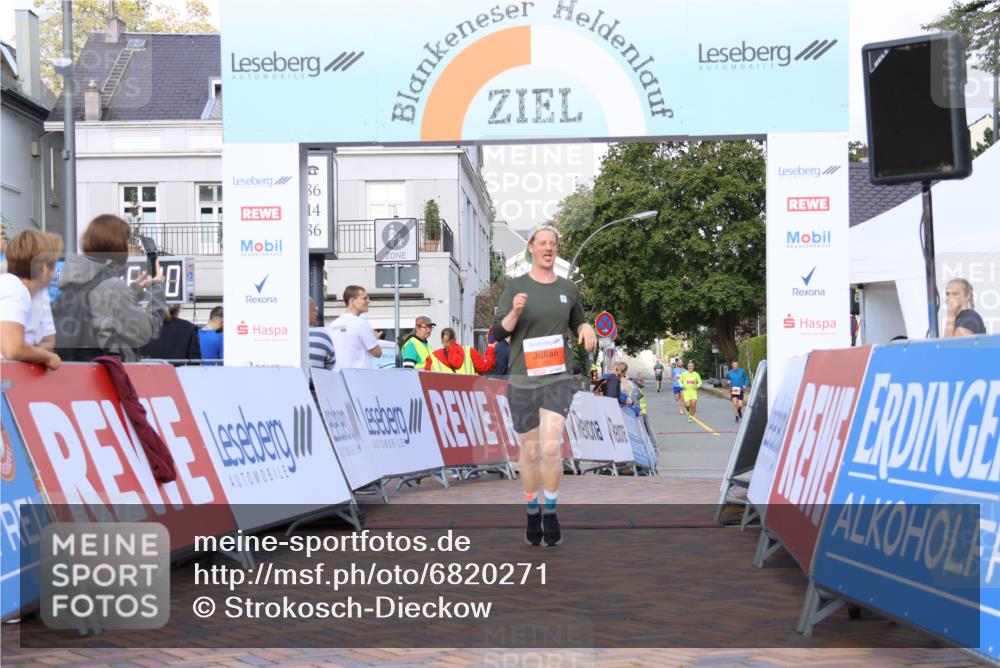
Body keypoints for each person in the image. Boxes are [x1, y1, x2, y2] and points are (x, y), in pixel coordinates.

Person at [492, 223, 596, 547]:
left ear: (556, 249)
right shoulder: (515, 286)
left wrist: (586, 327)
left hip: (557, 377)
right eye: (542, 243)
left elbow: (577, 319)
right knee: (532, 449)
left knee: (551, 446)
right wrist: (515, 312)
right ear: (532, 249)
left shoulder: (569, 288)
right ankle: (531, 508)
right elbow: (498, 332)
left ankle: (550, 511)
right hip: (523, 378)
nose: (548, 248)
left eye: (553, 243)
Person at [53, 214, 168, 362]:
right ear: (117, 245)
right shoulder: (112, 287)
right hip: (107, 376)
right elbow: (150, 331)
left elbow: (96, 308)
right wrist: (157, 288)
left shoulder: (72, 282)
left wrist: (133, 291)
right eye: (127, 241)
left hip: (76, 372)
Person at [0, 229, 62, 369]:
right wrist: (48, 357)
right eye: (54, 267)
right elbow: (13, 348)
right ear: (45, 269)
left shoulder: (14, 287)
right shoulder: (15, 288)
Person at [329, 285, 383, 369]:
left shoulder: (333, 325)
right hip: (358, 378)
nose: (368, 301)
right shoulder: (361, 323)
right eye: (364, 298)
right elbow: (378, 353)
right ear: (352, 301)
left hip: (338, 376)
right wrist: (374, 339)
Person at [424, 327, 495, 374]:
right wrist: (491, 348)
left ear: (442, 340)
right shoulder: (469, 352)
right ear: (455, 338)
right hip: (467, 395)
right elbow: (485, 366)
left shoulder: (432, 358)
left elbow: (425, 381)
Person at [308, 297, 335, 371]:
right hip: (314, 382)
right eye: (314, 310)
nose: (316, 314)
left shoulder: (284, 334)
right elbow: (331, 365)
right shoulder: (322, 334)